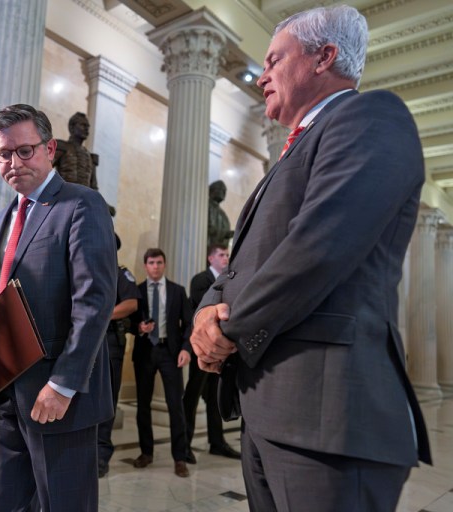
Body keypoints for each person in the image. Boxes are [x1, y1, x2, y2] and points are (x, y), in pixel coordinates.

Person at [190, 6, 431, 511]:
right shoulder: (290, 154)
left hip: (328, 418)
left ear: (324, 57)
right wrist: (205, 310)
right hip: (271, 410)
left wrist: (225, 332)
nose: (262, 77)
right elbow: (242, 262)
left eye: (275, 59)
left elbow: (318, 248)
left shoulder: (371, 117)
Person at [0, 104, 116, 512]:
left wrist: (64, 383)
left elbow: (94, 301)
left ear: (50, 149)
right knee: (5, 502)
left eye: (25, 150)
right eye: (3, 154)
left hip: (57, 393)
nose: (14, 162)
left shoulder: (81, 204)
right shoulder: (5, 216)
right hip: (7, 383)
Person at [130, 248, 192, 478]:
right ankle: (146, 452)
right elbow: (130, 321)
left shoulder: (177, 291)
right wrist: (139, 328)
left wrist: (186, 349)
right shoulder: (136, 292)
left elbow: (188, 323)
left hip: (170, 352)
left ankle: (180, 457)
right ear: (146, 266)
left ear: (164, 265)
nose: (155, 266)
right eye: (151, 263)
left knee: (176, 405)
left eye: (159, 262)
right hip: (145, 352)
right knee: (143, 405)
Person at [183, 244, 240, 462]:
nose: (225, 257)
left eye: (227, 254)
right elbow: (205, 310)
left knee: (215, 398)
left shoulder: (231, 280)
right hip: (203, 347)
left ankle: (217, 442)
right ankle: (185, 444)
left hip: (223, 350)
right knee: (192, 395)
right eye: (221, 255)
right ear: (211, 258)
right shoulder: (200, 280)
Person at [96, 234, 139, 478]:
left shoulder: (120, 273)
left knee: (107, 399)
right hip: (86, 340)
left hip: (110, 341)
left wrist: (102, 315)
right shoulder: (88, 269)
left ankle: (101, 455)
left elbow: (131, 304)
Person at [207, 180, 233, 248]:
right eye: (221, 189)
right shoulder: (207, 206)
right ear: (212, 190)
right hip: (209, 249)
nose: (224, 193)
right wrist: (226, 234)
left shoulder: (221, 212)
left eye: (224, 191)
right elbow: (210, 229)